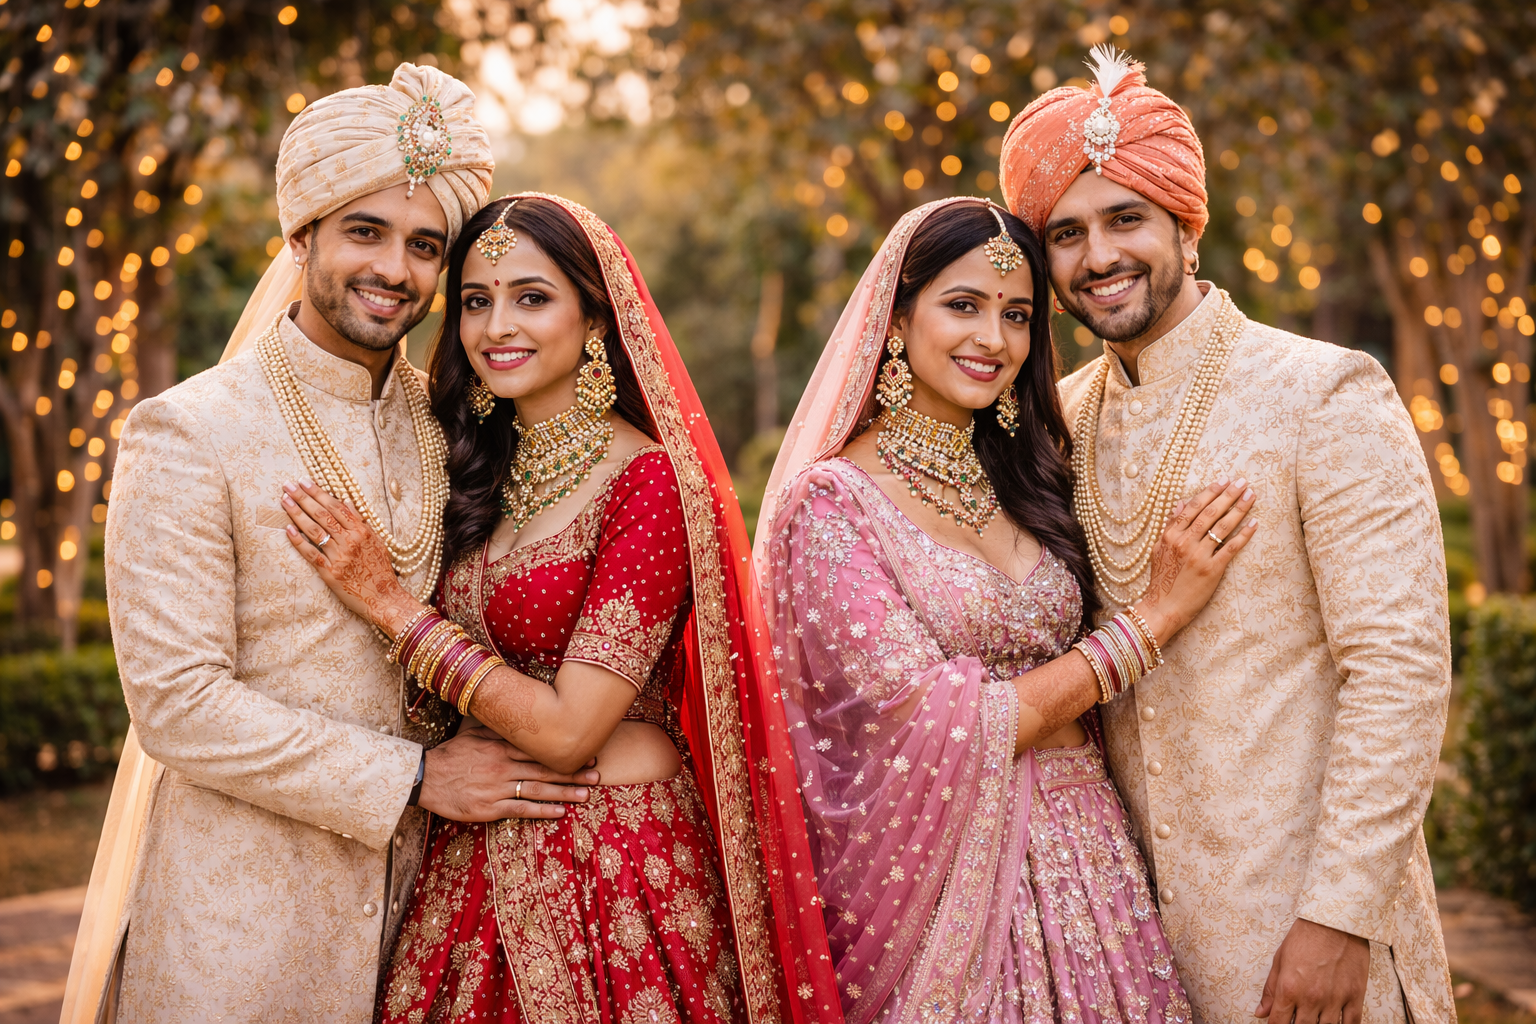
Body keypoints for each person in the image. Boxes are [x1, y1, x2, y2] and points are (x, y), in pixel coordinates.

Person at [62, 67, 597, 1024]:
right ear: (302, 233)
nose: (395, 269)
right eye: (365, 232)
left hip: (421, 931)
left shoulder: (448, 429)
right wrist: (415, 778)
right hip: (236, 933)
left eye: (425, 246)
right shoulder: (189, 429)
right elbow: (177, 705)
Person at [999, 45, 1456, 1024]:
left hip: (1315, 945)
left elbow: (1401, 670)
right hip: (1134, 956)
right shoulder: (1058, 421)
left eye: (1127, 219)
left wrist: (1340, 918)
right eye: (1067, 234)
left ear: (1185, 225)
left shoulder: (1321, 393)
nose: (1100, 256)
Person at [277, 193, 796, 1024]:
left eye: (531, 297)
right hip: (467, 863)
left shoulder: (648, 483)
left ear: (594, 316)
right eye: (476, 301)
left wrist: (388, 603)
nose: (495, 327)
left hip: (614, 870)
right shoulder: (470, 471)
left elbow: (568, 730)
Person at [752, 195, 1260, 1023]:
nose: (993, 340)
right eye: (963, 306)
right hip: (940, 887)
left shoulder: (1031, 474)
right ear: (895, 319)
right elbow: (932, 722)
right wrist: (1155, 621)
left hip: (1095, 864)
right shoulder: (832, 506)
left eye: (1016, 314)